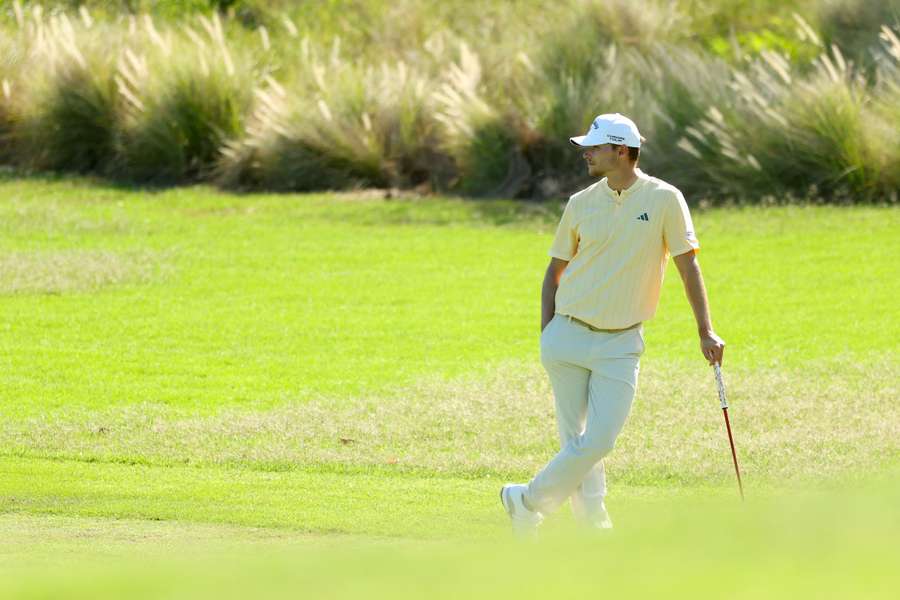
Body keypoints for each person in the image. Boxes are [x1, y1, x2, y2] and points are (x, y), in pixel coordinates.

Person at [500, 113, 725, 535]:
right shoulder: (580, 203)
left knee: (598, 440)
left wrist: (704, 329)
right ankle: (593, 526)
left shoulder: (663, 199)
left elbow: (687, 265)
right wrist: (548, 333)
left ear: (621, 151)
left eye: (595, 146)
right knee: (577, 443)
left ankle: (525, 500)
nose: (586, 153)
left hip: (621, 342)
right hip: (567, 335)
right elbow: (554, 272)